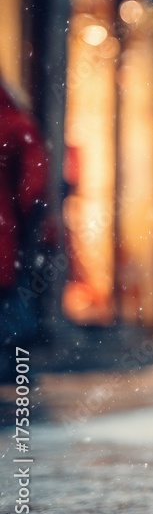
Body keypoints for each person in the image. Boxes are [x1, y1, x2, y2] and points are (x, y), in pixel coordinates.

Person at [0, 81, 49, 352]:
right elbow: (33, 187)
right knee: (14, 313)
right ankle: (16, 362)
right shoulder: (17, 124)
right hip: (8, 236)